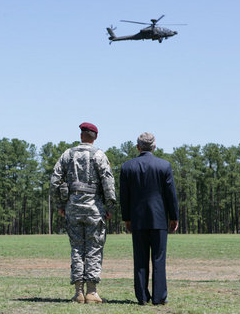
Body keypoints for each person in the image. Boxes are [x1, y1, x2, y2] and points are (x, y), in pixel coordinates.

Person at [50, 122, 116, 304]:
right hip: (95, 209)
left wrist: (60, 204)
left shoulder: (68, 155)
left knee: (77, 249)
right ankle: (92, 292)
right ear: (95, 137)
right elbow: (108, 182)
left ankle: (78, 292)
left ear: (81, 136)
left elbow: (55, 180)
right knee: (94, 249)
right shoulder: (99, 155)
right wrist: (110, 207)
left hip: (73, 209)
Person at [119, 132, 179, 306]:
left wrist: (127, 218)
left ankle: (142, 297)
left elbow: (124, 197)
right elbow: (171, 195)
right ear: (154, 146)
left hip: (137, 220)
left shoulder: (127, 167)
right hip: (159, 219)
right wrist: (174, 217)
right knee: (159, 259)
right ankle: (159, 297)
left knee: (140, 259)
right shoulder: (164, 166)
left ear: (138, 147)